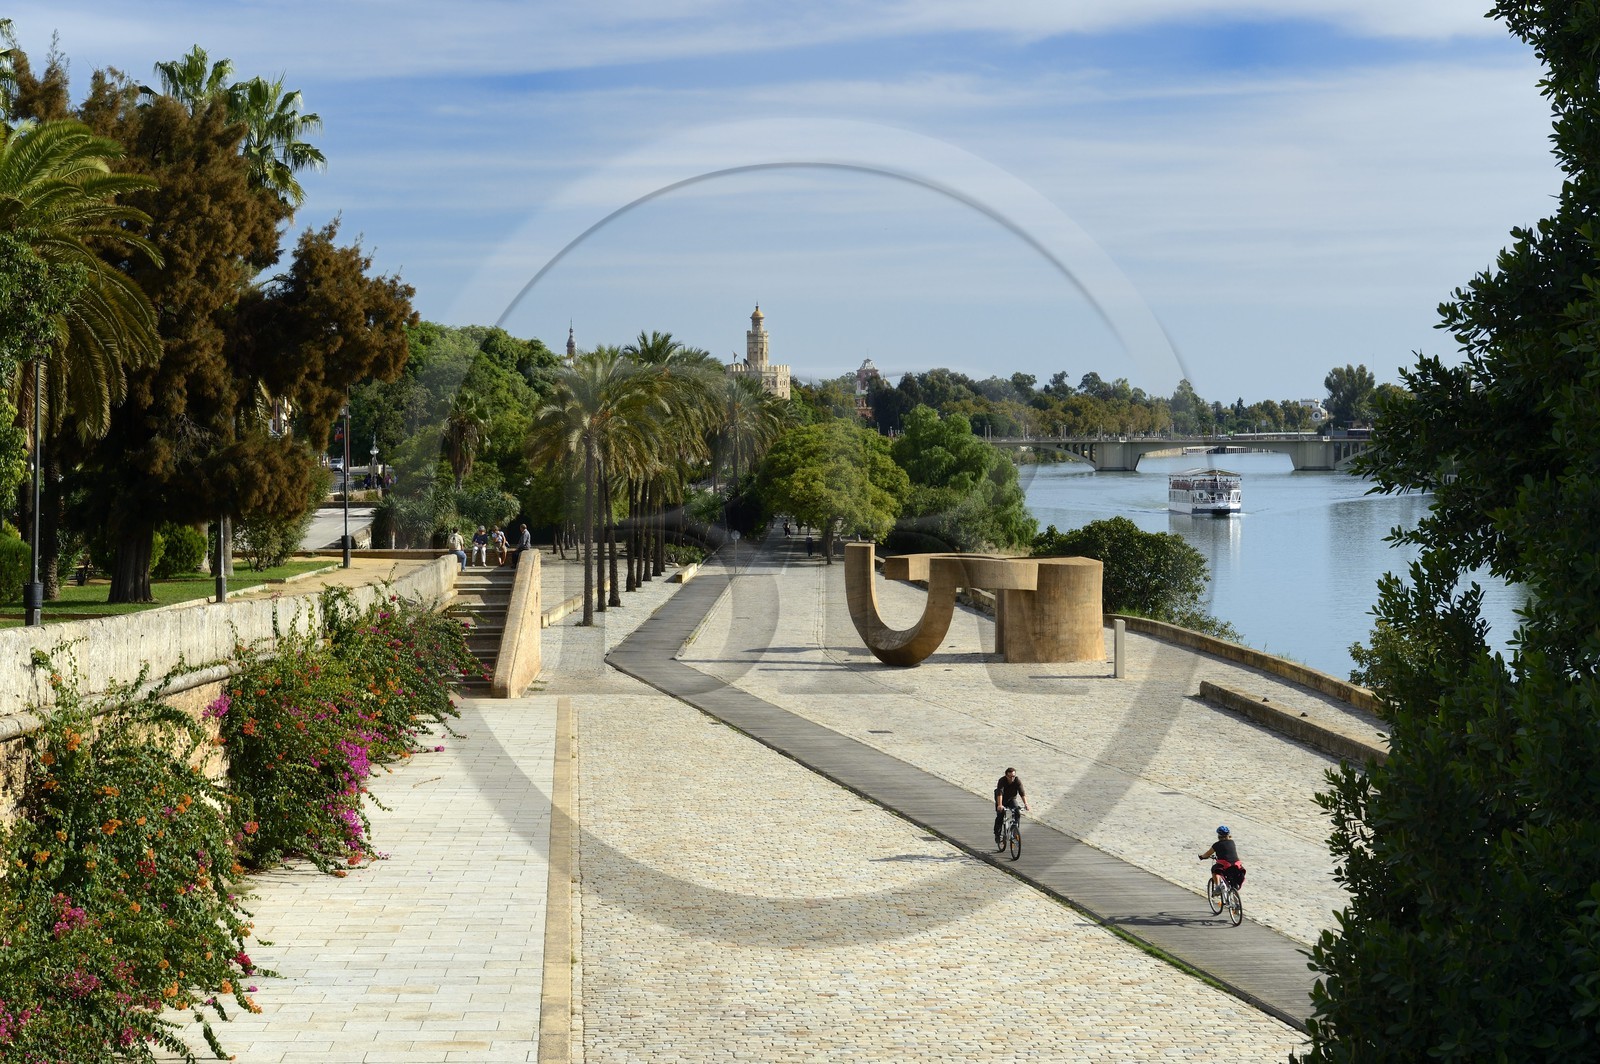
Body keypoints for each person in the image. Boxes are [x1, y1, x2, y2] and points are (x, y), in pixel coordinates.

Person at [1199, 825, 1245, 892]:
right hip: (1236, 865)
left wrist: (1202, 857)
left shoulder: (1217, 845)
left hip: (1226, 865)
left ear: (1219, 835)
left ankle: (1218, 887)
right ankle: (1235, 892)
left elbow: (1208, 854)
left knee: (1215, 870)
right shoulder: (1232, 842)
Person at [993, 767, 1029, 846]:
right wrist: (1000, 805)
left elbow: (1022, 792)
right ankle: (997, 834)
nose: (1012, 778)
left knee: (1017, 812)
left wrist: (1026, 804)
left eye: (1013, 776)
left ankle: (1015, 831)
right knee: (1000, 815)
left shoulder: (1017, 780)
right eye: (1010, 776)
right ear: (1006, 775)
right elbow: (1000, 793)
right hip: (1001, 799)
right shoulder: (1002, 781)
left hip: (1011, 799)